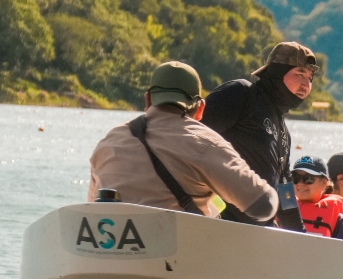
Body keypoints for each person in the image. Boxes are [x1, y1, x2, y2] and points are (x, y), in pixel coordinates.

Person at [88, 61, 278, 222]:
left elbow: (90, 208)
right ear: (200, 108)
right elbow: (263, 207)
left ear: (147, 100)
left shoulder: (109, 141)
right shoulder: (205, 143)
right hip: (175, 260)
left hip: (109, 256)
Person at [200, 41, 319, 228]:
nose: (306, 84)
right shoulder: (242, 94)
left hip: (256, 233)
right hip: (217, 224)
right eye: (300, 74)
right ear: (277, 73)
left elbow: (285, 192)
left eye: (310, 78)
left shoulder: (283, 132)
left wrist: (300, 238)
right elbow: (191, 139)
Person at [291, 155, 343, 241]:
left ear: (324, 182)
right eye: (295, 178)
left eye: (308, 179)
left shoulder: (338, 219)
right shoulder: (280, 210)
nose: (300, 183)